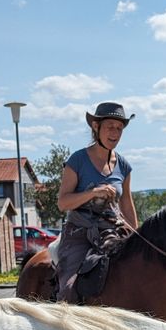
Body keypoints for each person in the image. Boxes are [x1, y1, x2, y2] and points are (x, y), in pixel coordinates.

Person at [55, 102, 138, 302]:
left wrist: (136, 236)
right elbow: (63, 203)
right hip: (79, 234)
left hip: (113, 231)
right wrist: (93, 192)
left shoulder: (123, 165)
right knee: (69, 289)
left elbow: (127, 204)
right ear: (95, 127)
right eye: (110, 126)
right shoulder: (77, 160)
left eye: (119, 128)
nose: (115, 133)